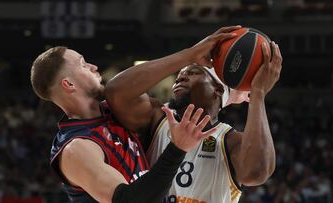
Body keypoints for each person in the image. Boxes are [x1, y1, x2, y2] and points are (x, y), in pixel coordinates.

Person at [105, 25, 282, 203]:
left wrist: (258, 92)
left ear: (218, 90)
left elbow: (257, 172)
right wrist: (190, 54)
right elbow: (116, 92)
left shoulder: (229, 141)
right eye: (180, 74)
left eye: (193, 73)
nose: (180, 77)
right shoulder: (157, 118)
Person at [29, 45, 219, 203]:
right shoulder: (76, 148)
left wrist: (227, 95)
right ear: (69, 84)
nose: (94, 66)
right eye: (83, 64)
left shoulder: (112, 111)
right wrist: (177, 148)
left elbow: (163, 105)